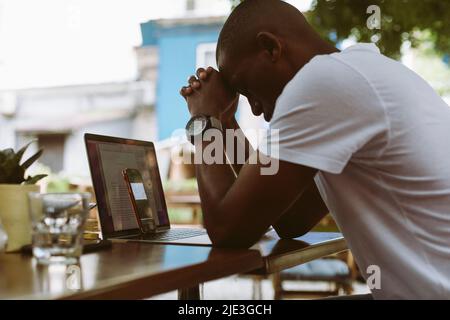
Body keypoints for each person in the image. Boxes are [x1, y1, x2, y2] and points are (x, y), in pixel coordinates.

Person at [179, 0, 450, 299]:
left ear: (270, 48)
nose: (255, 109)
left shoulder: (322, 84)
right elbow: (291, 219)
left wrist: (202, 122)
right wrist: (226, 123)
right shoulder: (359, 72)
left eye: (246, 89)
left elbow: (227, 230)